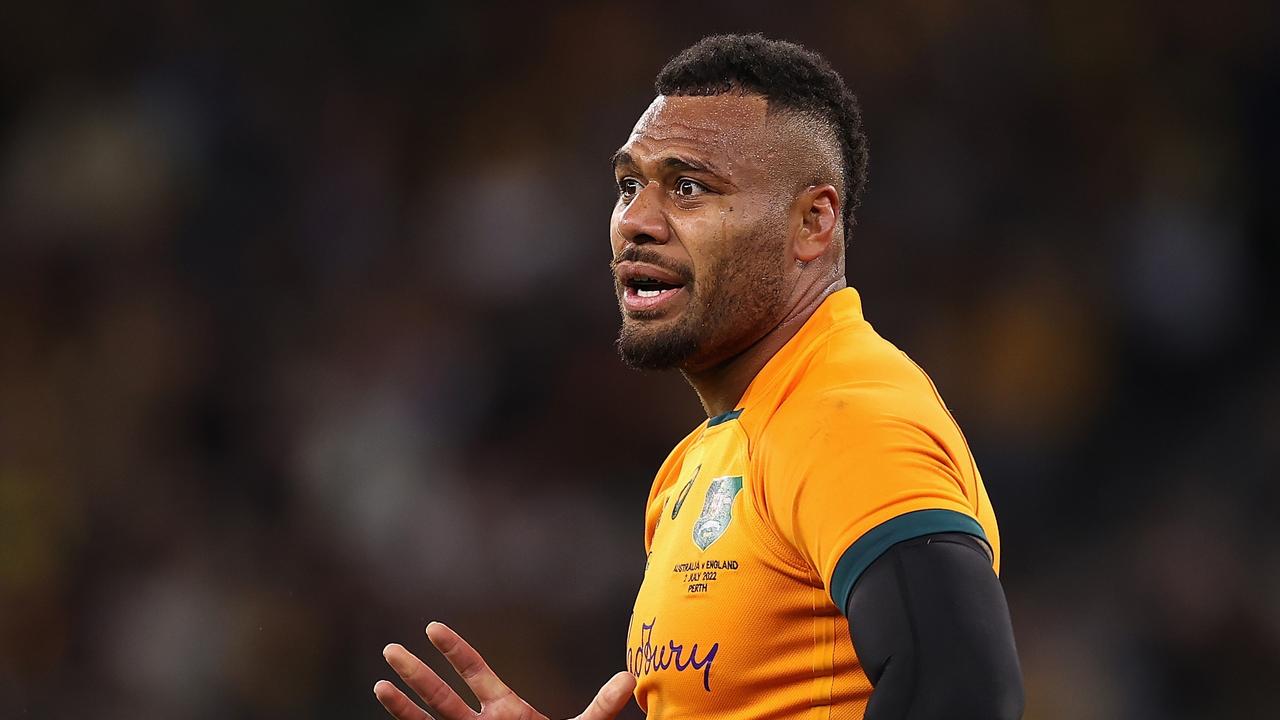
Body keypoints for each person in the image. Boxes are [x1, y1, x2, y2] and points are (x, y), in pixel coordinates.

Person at [374, 33, 1024, 720]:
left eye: (689, 187)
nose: (637, 223)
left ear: (812, 222)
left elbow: (962, 693)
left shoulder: (846, 413)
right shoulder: (694, 468)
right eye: (629, 186)